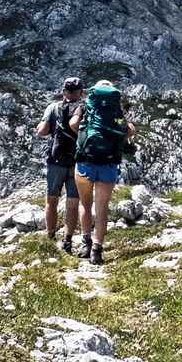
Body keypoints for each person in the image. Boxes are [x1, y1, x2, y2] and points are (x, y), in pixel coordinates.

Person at [72, 78, 135, 266]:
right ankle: (97, 250)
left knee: (85, 203)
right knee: (101, 208)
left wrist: (84, 135)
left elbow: (72, 124)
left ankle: (85, 243)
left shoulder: (85, 107)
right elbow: (131, 130)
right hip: (108, 163)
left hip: (85, 160)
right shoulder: (118, 110)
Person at [34, 77, 85, 255]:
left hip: (56, 160)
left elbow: (42, 131)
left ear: (64, 92)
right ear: (81, 92)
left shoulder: (53, 107)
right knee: (73, 201)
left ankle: (50, 236)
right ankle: (67, 241)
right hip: (77, 162)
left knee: (51, 200)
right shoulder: (85, 109)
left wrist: (44, 123)